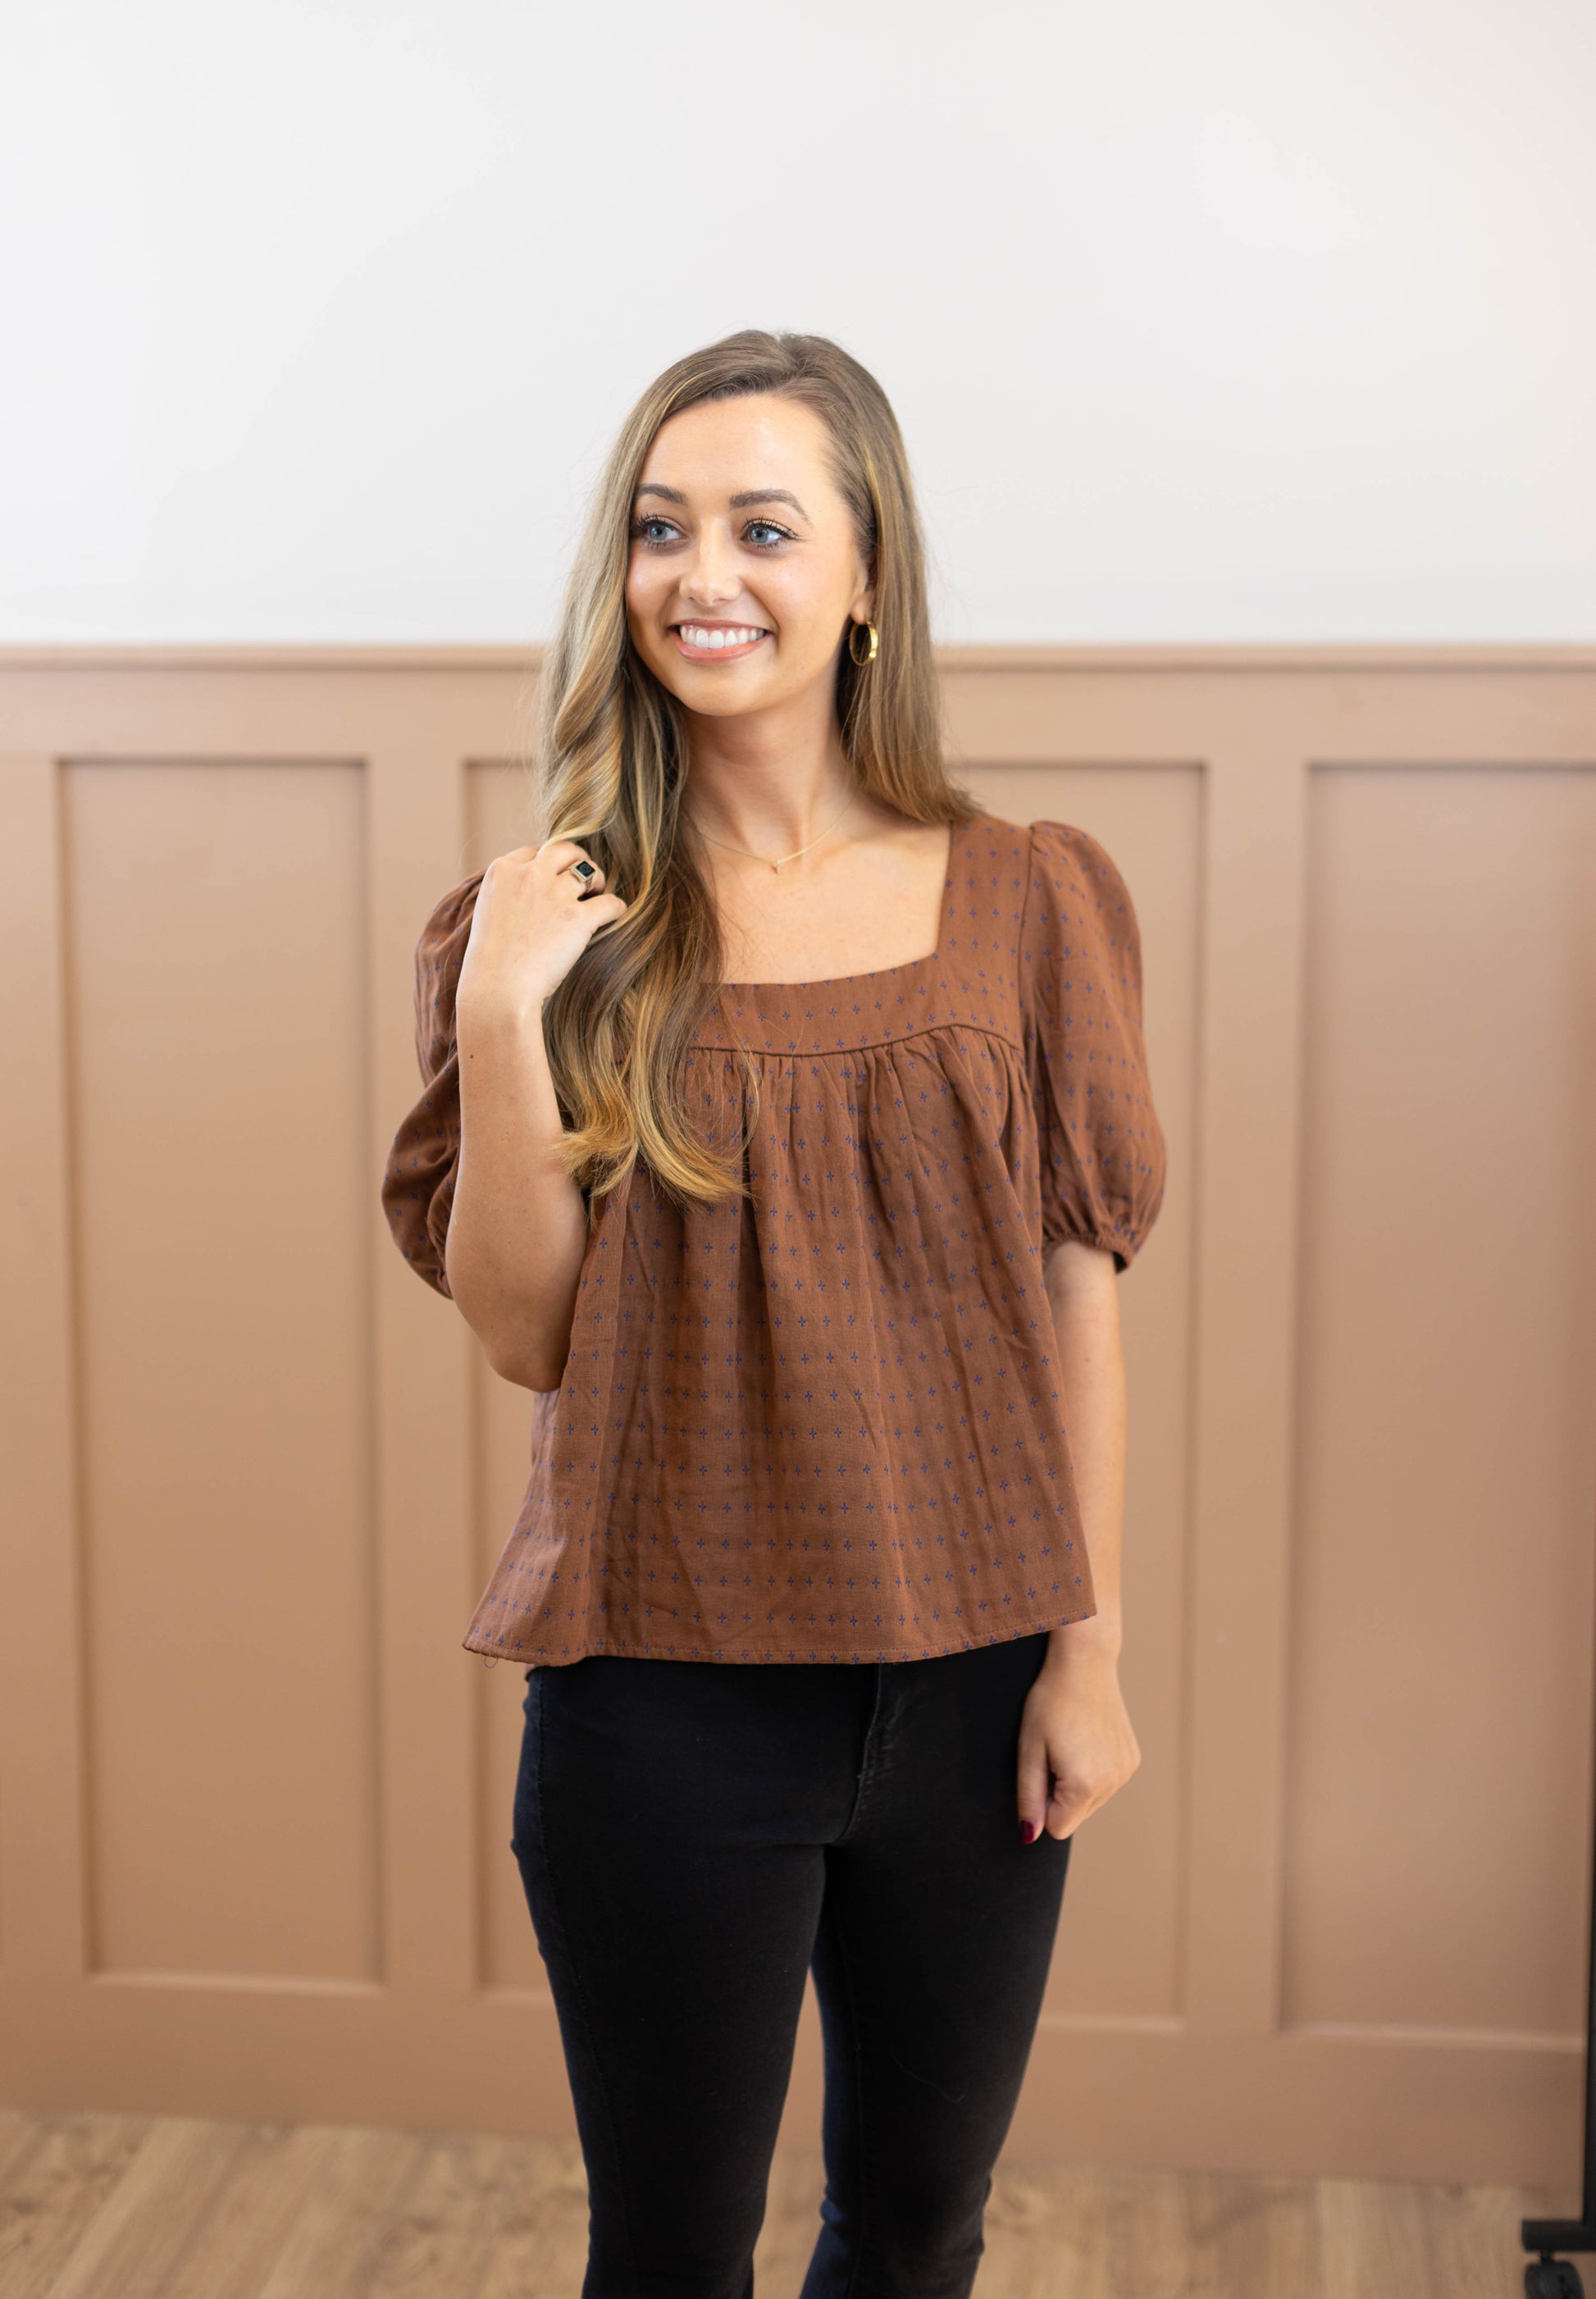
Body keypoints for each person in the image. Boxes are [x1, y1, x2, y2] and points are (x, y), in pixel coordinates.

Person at [381, 329, 1167, 2299]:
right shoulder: (548, 922)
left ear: (865, 577)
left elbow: (1076, 1273)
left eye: (760, 525)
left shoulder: (1030, 896)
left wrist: (1089, 1644)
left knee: (914, 2230)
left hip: (980, 1682)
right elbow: (524, 1332)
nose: (699, 573)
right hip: (663, 1685)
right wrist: (500, 1016)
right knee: (668, 2256)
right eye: (658, 528)